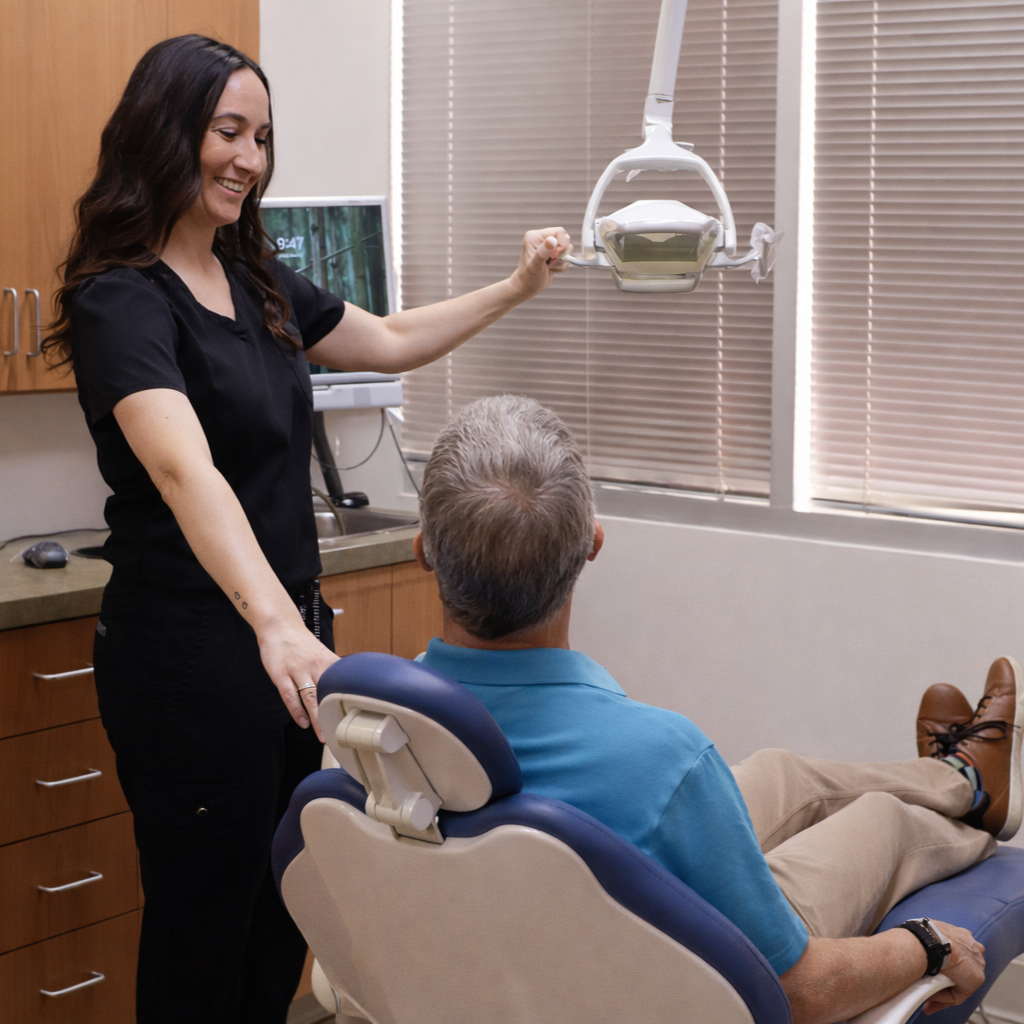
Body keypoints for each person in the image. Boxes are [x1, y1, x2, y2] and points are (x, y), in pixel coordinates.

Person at [42, 35, 572, 1024]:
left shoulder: (257, 280)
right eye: (227, 131)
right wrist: (274, 622)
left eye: (262, 137)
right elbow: (179, 465)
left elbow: (390, 340)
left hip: (286, 647)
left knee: (286, 900)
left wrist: (512, 289)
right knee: (203, 923)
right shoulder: (123, 297)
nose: (249, 158)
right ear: (167, 134)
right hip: (191, 652)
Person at [410, 394, 1024, 1024]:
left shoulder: (378, 731)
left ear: (424, 549)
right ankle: (973, 801)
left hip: (529, 929)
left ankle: (961, 780)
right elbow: (797, 992)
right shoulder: (658, 758)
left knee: (781, 771)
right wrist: (925, 944)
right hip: (665, 976)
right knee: (884, 821)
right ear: (592, 545)